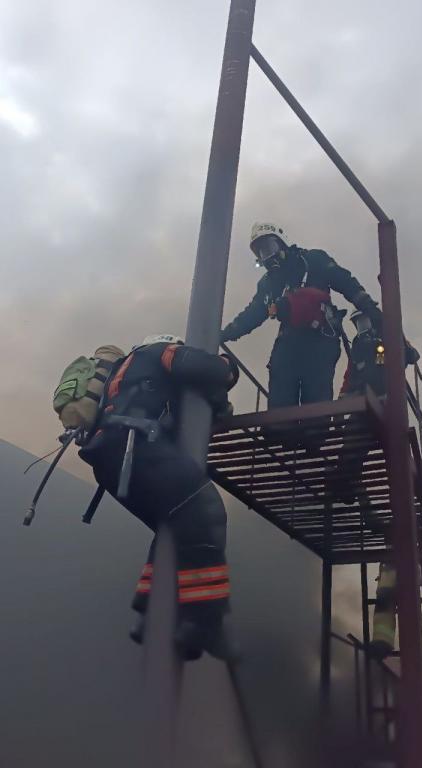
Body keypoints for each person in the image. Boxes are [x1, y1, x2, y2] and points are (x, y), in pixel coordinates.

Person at [78, 334, 239, 661]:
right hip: (138, 449)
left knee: (175, 526)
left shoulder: (123, 375)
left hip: (109, 461)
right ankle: (203, 623)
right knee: (206, 512)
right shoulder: (158, 351)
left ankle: (148, 613)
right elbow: (201, 367)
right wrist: (228, 367)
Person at [220, 222, 384, 409]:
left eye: (269, 248)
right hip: (288, 344)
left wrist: (370, 308)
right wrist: (226, 333)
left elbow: (346, 282)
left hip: (320, 341)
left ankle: (316, 427)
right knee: (280, 403)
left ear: (282, 243)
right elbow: (253, 313)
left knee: (316, 405)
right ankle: (282, 426)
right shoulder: (269, 284)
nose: (267, 256)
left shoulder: (313, 260)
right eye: (261, 253)